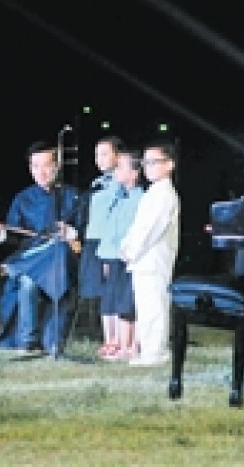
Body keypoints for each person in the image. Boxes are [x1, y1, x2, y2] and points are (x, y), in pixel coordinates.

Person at [0, 140, 83, 357]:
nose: (41, 172)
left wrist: (72, 233)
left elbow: (83, 235)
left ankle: (7, 269)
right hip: (32, 261)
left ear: (57, 166)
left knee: (58, 248)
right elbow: (15, 239)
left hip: (63, 264)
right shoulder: (23, 199)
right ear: (30, 168)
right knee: (27, 280)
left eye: (46, 165)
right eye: (36, 166)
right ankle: (28, 341)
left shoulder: (73, 196)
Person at [120, 139, 180, 367]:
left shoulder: (164, 194)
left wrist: (131, 250)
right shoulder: (154, 192)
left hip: (153, 258)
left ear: (170, 164)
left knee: (154, 305)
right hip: (144, 259)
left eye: (155, 162)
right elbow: (138, 226)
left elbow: (150, 230)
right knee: (146, 306)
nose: (148, 167)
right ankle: (148, 350)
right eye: (146, 162)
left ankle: (155, 352)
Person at [95, 147, 144, 360]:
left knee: (128, 302)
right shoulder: (118, 196)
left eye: (120, 167)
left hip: (129, 257)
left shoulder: (140, 198)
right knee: (114, 299)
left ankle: (131, 345)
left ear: (134, 173)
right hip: (113, 255)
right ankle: (117, 342)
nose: (115, 170)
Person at [77, 135, 123, 355]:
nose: (99, 159)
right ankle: (108, 337)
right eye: (97, 155)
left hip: (110, 242)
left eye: (105, 154)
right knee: (100, 290)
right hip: (93, 239)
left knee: (113, 289)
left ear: (118, 155)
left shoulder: (121, 184)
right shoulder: (97, 184)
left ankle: (119, 339)